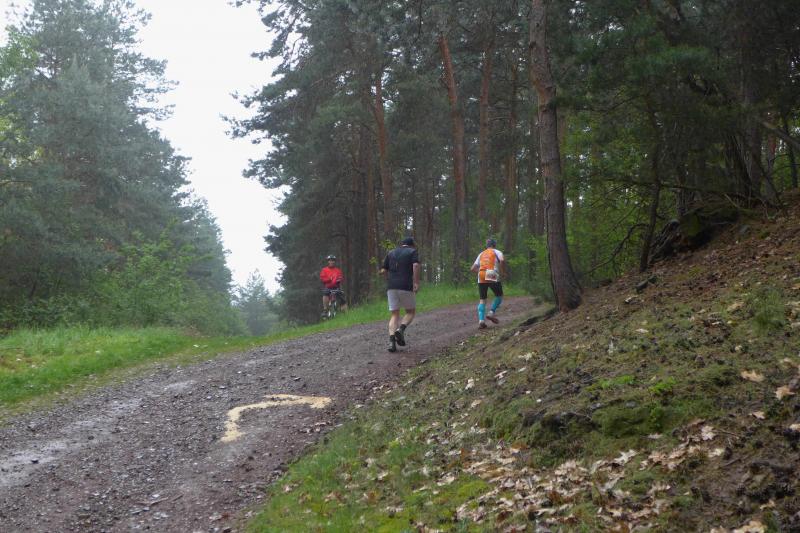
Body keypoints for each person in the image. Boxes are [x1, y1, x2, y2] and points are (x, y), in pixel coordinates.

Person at [380, 237, 420, 352]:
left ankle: (392, 343)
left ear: (402, 244)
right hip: (405, 285)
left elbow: (383, 270)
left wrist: (389, 279)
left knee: (394, 315)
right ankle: (400, 329)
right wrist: (416, 282)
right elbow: (416, 265)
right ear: (411, 245)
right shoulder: (412, 251)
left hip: (391, 287)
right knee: (410, 312)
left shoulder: (391, 252)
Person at [470, 238, 505, 329]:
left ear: (487, 245)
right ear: (494, 245)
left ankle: (481, 321)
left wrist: (481, 272)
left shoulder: (481, 254)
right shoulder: (497, 252)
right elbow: (502, 260)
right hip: (491, 273)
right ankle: (491, 312)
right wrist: (502, 272)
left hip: (481, 274)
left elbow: (472, 268)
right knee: (499, 295)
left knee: (482, 300)